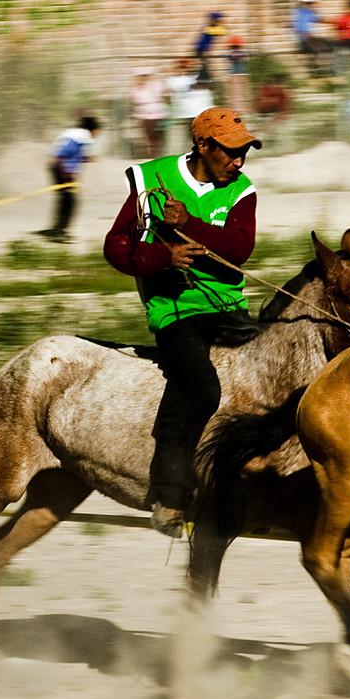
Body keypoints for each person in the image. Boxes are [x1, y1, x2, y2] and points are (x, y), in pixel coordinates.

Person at [102, 107, 263, 537]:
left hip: (228, 306)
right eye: (231, 152)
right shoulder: (152, 180)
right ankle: (169, 495)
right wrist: (162, 257)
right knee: (199, 386)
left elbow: (240, 249)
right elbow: (116, 248)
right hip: (176, 311)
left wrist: (189, 225)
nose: (239, 161)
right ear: (203, 146)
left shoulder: (242, 191)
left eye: (244, 152)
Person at [41, 113, 101, 241]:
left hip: (56, 166)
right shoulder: (83, 135)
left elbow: (72, 155)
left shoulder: (75, 133)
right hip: (60, 168)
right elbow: (65, 152)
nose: (97, 134)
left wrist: (87, 159)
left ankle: (57, 228)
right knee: (70, 200)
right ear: (92, 129)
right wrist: (67, 174)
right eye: (97, 131)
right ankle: (60, 230)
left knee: (64, 199)